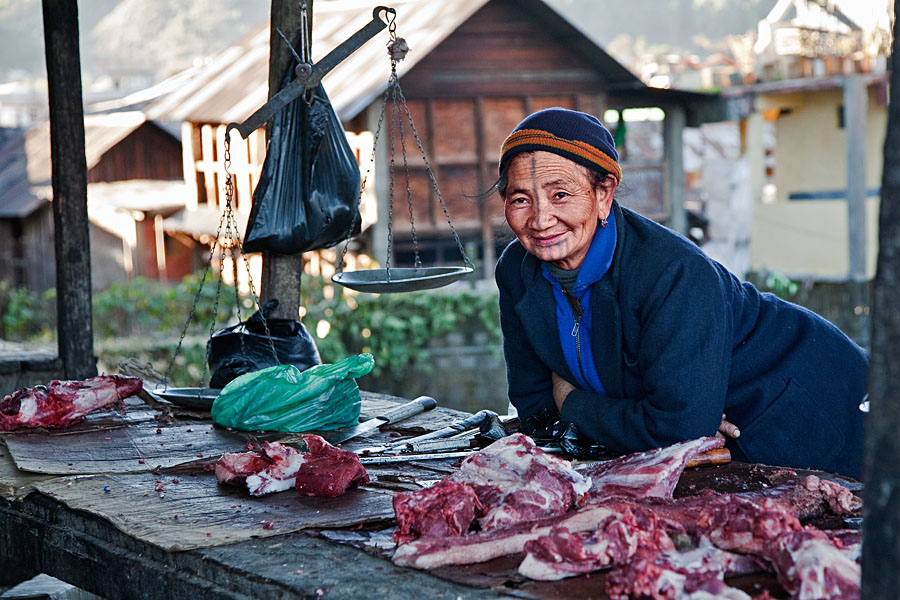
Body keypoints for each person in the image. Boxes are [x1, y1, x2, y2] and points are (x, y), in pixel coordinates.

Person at [494, 107, 867, 479]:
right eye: (520, 199)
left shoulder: (672, 273)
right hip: (726, 445)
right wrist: (662, 422)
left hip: (810, 404)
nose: (541, 220)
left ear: (604, 194)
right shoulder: (517, 271)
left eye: (560, 194)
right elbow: (534, 408)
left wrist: (571, 402)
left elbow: (677, 432)